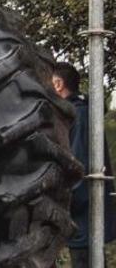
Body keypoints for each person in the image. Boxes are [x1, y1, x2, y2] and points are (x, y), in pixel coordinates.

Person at [52, 62, 116, 267]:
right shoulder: (83, 112)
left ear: (58, 84)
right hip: (88, 212)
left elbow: (79, 166)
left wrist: (65, 204)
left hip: (84, 215)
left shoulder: (77, 116)